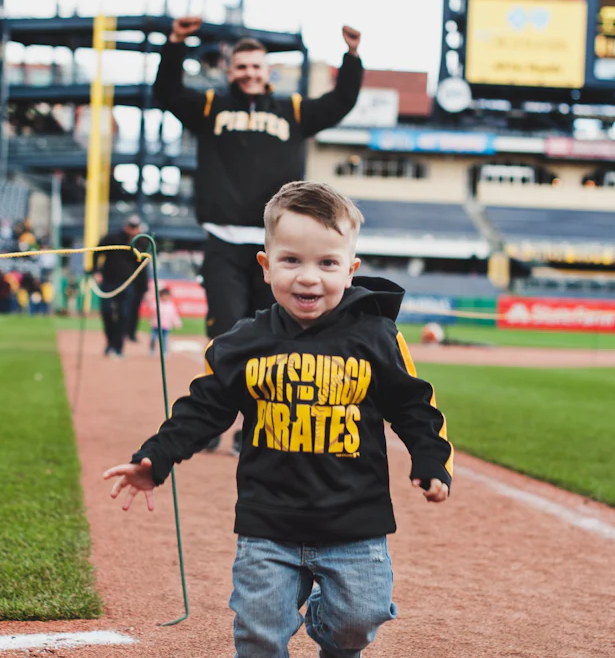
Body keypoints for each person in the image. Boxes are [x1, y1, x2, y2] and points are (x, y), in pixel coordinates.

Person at [103, 181, 452, 658]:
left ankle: (326, 625)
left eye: (327, 263)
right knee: (258, 632)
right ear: (266, 267)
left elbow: (414, 405)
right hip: (268, 524)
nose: (309, 277)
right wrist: (154, 459)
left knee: (357, 623)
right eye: (291, 261)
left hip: (355, 524)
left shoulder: (375, 336)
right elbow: (204, 408)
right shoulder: (243, 342)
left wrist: (431, 459)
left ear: (350, 270)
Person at [154, 16, 364, 454]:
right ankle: (210, 423)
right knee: (228, 334)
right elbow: (167, 94)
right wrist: (175, 42)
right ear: (230, 70)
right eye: (241, 66)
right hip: (224, 243)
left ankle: (255, 429)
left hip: (280, 248)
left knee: (276, 337)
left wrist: (352, 56)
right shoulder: (211, 107)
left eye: (256, 66)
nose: (249, 73)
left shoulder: (294, 111)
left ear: (269, 71)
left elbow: (341, 101)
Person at [94, 215, 144, 359]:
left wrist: (143, 287)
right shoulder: (112, 238)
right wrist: (96, 271)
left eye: (135, 227)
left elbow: (142, 266)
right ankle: (110, 342)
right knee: (107, 312)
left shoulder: (140, 242)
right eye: (131, 226)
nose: (133, 230)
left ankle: (118, 346)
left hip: (128, 284)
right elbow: (97, 251)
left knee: (124, 315)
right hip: (109, 281)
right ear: (125, 226)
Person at [146, 286, 182, 356]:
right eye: (164, 296)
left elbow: (174, 315)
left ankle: (164, 351)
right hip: (156, 326)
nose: (165, 298)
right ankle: (152, 349)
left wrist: (177, 322)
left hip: (166, 326)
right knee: (153, 338)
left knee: (164, 340)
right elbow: (151, 308)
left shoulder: (171, 305)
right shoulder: (157, 304)